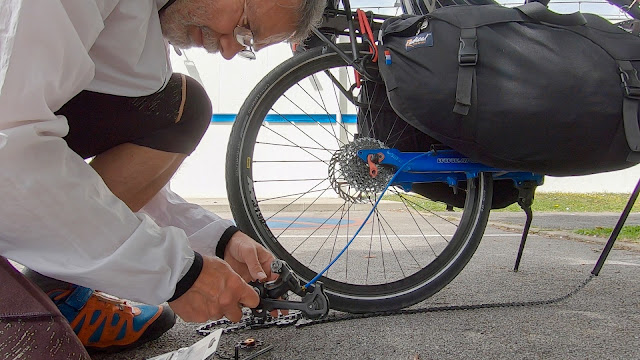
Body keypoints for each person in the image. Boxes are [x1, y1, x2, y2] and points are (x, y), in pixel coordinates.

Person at [0, 0, 327, 354]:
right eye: (245, 27)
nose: (230, 50)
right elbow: (9, 148)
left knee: (183, 107)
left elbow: (135, 190)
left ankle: (56, 286)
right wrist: (174, 273)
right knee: (40, 348)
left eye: (247, 45)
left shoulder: (149, 40)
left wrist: (219, 241)